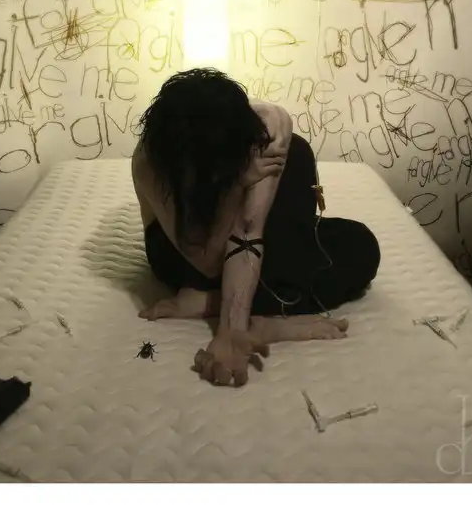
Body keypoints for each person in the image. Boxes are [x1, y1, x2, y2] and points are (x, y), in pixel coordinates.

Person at [132, 68, 381, 388]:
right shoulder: (149, 161)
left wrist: (233, 327)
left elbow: (248, 231)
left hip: (239, 241)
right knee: (296, 266)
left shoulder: (270, 127)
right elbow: (207, 264)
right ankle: (268, 304)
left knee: (359, 245)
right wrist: (236, 186)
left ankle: (209, 302)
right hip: (184, 256)